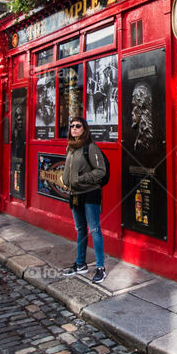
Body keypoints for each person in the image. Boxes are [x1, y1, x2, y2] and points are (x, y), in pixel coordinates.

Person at [59, 117, 108, 284]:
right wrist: (66, 180)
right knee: (80, 228)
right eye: (71, 126)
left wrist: (81, 179)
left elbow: (101, 171)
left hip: (90, 193)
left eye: (78, 126)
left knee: (94, 229)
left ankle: (100, 267)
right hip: (75, 194)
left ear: (84, 129)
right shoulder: (70, 148)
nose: (74, 128)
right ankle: (80, 263)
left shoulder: (90, 147)